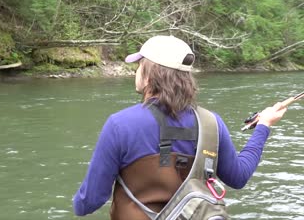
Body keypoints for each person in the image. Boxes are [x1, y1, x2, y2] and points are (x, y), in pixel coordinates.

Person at [72, 35, 287, 219]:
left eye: (139, 65)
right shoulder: (213, 123)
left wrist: (78, 202)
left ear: (149, 74)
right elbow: (238, 177)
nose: (136, 71)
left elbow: (88, 203)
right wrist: (264, 125)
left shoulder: (119, 125)